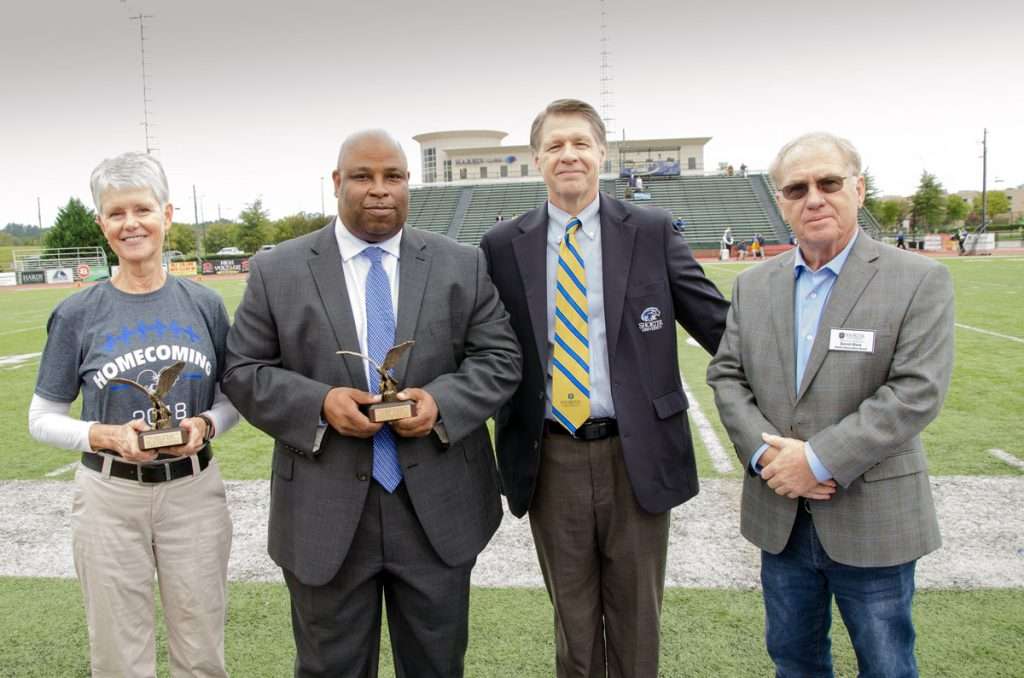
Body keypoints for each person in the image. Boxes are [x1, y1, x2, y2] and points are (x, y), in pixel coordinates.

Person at [221, 130, 521, 678]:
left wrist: (440, 403)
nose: (379, 190)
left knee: (436, 666)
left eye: (394, 177)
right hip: (324, 509)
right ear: (337, 183)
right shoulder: (278, 269)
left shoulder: (462, 263)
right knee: (329, 668)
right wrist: (320, 403)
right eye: (363, 176)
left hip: (437, 506)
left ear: (409, 183)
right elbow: (243, 371)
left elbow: (500, 358)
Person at [480, 99, 728, 678]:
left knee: (638, 620)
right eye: (556, 145)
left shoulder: (650, 230)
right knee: (573, 623)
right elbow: (481, 345)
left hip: (635, 452)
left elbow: (718, 324)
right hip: (550, 455)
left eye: (581, 143)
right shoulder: (500, 245)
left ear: (602, 155)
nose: (569, 154)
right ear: (537, 159)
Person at [707, 132, 954, 678]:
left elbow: (917, 390)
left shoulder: (918, 280)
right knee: (794, 661)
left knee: (887, 664)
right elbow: (727, 374)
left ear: (858, 189)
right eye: (797, 189)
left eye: (829, 183)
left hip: (873, 515)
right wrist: (769, 458)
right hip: (782, 516)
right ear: (781, 203)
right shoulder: (753, 285)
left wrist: (816, 460)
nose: (813, 198)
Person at [28, 151, 239, 678]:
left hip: (193, 490)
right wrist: (103, 434)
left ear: (166, 215)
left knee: (202, 649)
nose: (131, 224)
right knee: (119, 656)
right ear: (102, 224)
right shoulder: (78, 312)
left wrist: (206, 425)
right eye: (116, 213)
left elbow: (234, 398)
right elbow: (42, 416)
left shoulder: (205, 304)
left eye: (142, 209)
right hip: (110, 494)